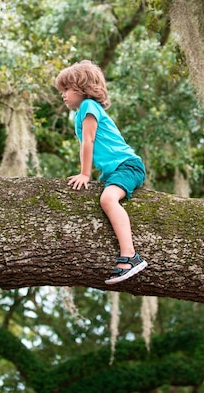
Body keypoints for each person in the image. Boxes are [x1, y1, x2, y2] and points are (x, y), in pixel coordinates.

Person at [55, 60, 147, 284]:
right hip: (116, 170)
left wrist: (85, 175)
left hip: (128, 165)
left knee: (107, 199)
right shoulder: (82, 112)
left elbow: (88, 141)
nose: (63, 95)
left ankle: (130, 257)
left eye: (66, 89)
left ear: (82, 88)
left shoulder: (88, 106)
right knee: (105, 197)